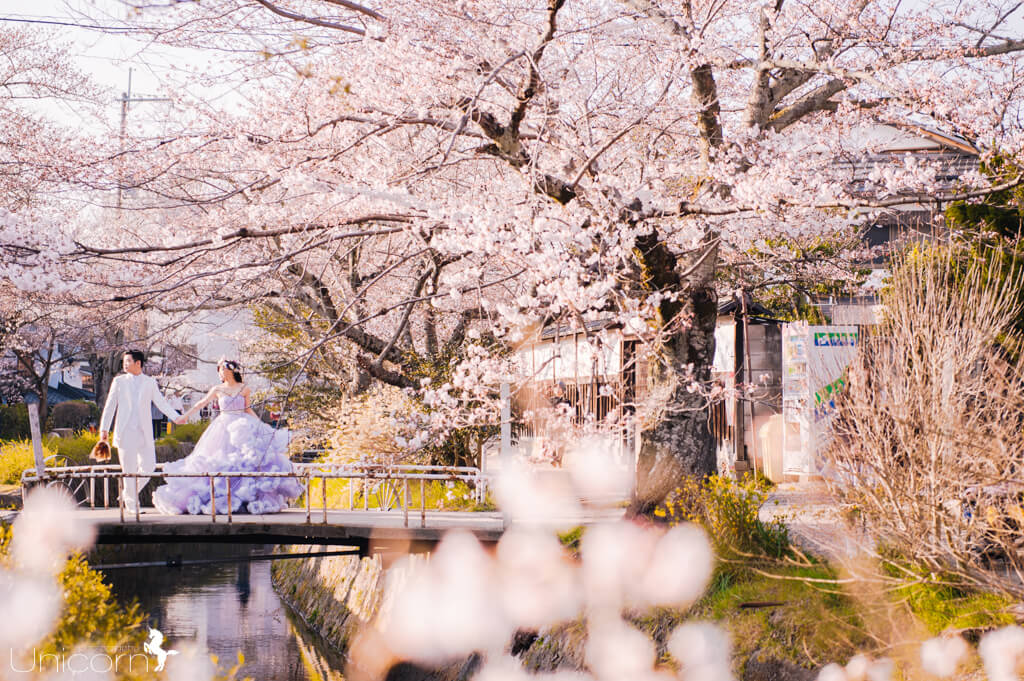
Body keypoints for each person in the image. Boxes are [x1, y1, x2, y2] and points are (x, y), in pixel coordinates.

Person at [152, 358, 301, 515]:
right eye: (220, 370)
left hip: (243, 426)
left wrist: (261, 426)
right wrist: (185, 416)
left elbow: (248, 409)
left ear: (231, 370)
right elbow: (201, 403)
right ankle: (219, 497)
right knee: (218, 460)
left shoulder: (244, 388)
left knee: (246, 461)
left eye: (223, 369)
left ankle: (247, 498)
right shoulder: (217, 389)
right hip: (223, 426)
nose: (221, 372)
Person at [99, 350, 184, 514]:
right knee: (128, 469)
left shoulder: (149, 382)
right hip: (124, 432)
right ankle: (132, 505)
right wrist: (104, 429)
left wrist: (176, 417)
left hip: (144, 431)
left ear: (138, 363)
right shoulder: (119, 381)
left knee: (149, 466)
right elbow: (110, 406)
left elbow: (161, 403)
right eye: (124, 361)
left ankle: (127, 494)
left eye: (128, 361)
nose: (124, 364)